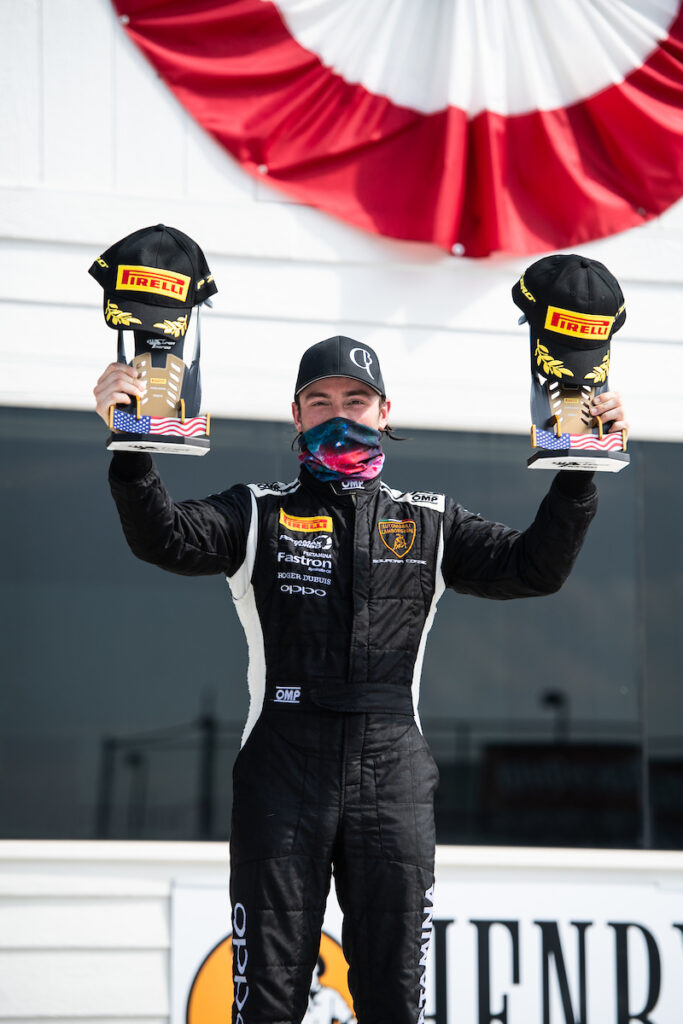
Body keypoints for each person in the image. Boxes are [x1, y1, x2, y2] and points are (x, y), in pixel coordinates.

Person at [95, 333, 627, 1024]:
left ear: (384, 412)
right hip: (283, 770)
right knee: (267, 1003)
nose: (338, 414)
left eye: (355, 400)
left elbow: (535, 568)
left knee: (393, 999)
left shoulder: (429, 520)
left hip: (391, 771)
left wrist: (579, 467)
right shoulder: (256, 511)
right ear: (295, 415)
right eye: (320, 402)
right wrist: (131, 444)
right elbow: (163, 537)